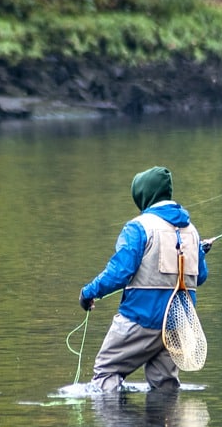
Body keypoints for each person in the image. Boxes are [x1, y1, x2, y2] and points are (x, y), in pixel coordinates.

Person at [79, 165, 210, 392]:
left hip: (140, 319)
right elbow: (200, 278)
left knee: (106, 373)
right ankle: (163, 424)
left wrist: (89, 292)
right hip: (178, 326)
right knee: (165, 387)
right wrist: (197, 252)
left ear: (143, 196)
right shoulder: (192, 230)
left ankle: (121, 424)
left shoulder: (139, 227)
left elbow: (119, 273)